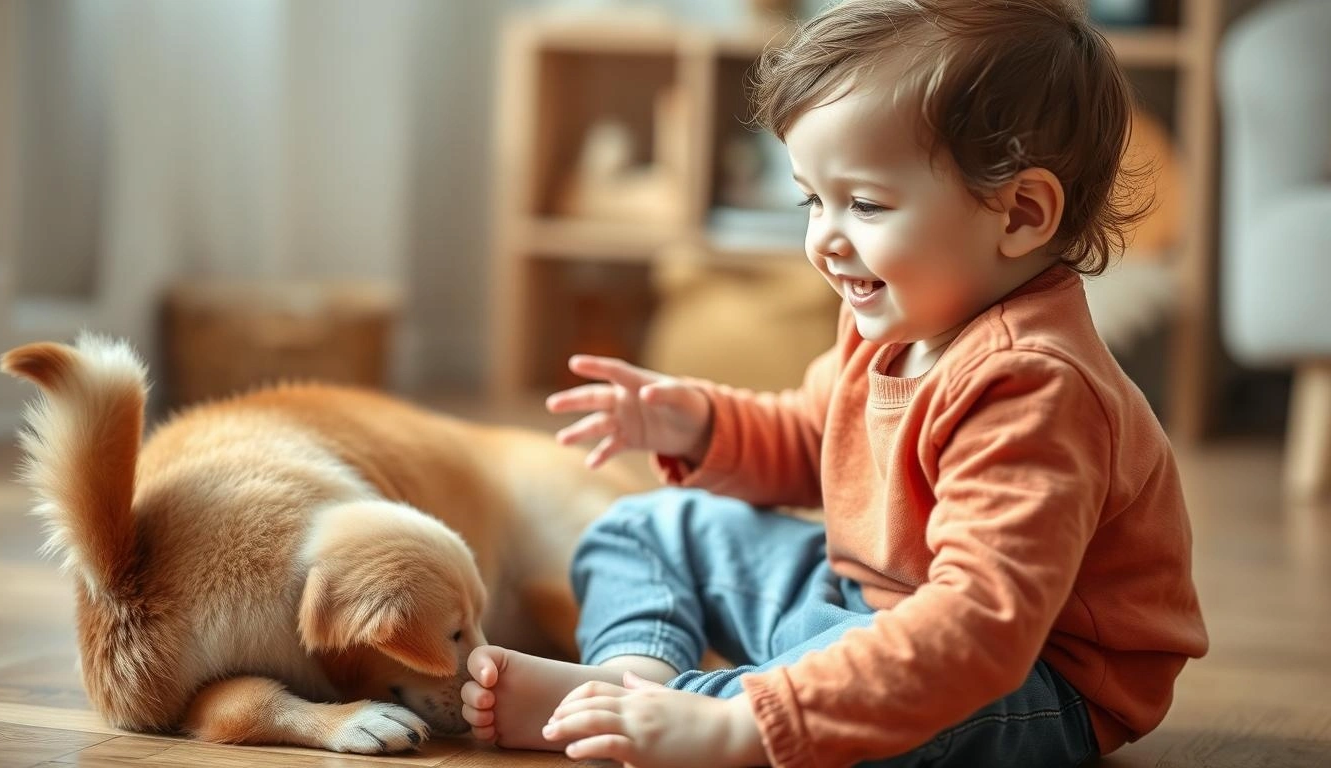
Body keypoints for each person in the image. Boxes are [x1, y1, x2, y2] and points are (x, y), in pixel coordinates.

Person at [461, 1, 1208, 765]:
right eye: (812, 199)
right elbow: (816, 438)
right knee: (647, 525)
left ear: (1020, 212)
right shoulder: (892, 321)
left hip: (1027, 683)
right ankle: (629, 678)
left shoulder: (1034, 386)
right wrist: (698, 425)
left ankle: (704, 717)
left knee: (857, 684)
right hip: (865, 604)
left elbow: (980, 626)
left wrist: (740, 727)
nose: (824, 238)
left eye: (866, 204)